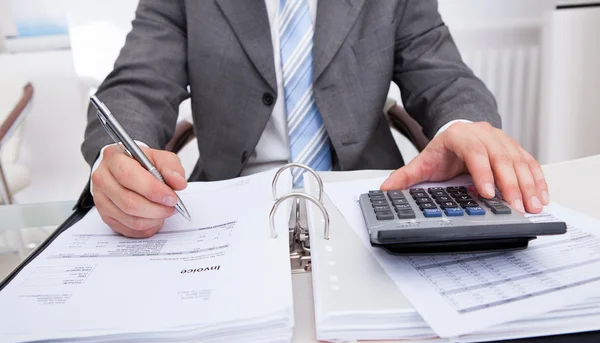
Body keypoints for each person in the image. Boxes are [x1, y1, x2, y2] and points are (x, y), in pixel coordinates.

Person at [81, 0, 550, 238]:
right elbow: (135, 87)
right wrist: (124, 153)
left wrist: (461, 125)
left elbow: (444, 75)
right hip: (228, 207)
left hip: (365, 197)